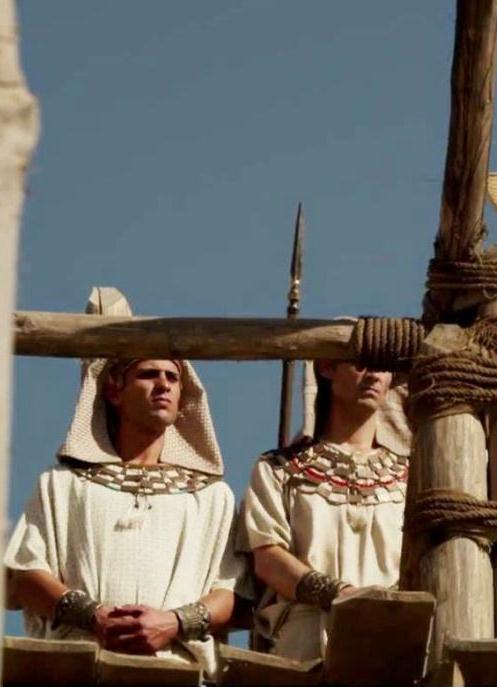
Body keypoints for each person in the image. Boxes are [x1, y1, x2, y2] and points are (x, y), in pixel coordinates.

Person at [4, 288, 240, 679]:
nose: (163, 384)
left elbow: (230, 594)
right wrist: (94, 616)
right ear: (114, 390)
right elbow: (25, 575)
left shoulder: (211, 497)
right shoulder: (62, 485)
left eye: (172, 377)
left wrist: (172, 623)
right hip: (82, 670)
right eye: (148, 374)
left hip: (178, 673)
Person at [239, 358, 410, 660]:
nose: (373, 375)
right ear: (327, 368)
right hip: (306, 647)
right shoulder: (278, 468)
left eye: (382, 367)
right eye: (361, 364)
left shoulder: (410, 477)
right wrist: (339, 595)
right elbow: (268, 558)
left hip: (393, 644)